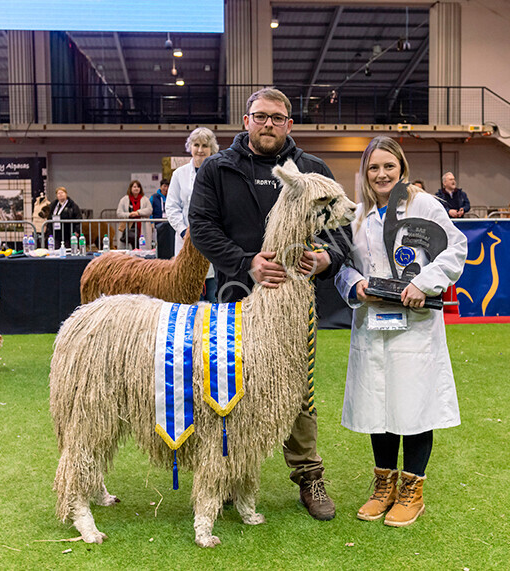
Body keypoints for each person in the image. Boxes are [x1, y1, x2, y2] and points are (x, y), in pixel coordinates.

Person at [189, 88, 352, 521]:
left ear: (289, 124)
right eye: (260, 116)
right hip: (234, 296)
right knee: (223, 384)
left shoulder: (314, 171)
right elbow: (201, 227)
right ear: (246, 120)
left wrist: (325, 258)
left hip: (293, 303)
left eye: (277, 118)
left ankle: (308, 474)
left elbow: (342, 228)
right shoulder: (218, 169)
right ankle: (225, 472)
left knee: (294, 389)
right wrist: (246, 263)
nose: (268, 124)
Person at [334, 136, 467, 527]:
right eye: (374, 168)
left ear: (402, 168)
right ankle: (384, 486)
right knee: (379, 403)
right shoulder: (355, 215)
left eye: (388, 166)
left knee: (413, 402)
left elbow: (454, 248)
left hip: (416, 324)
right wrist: (355, 284)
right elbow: (343, 264)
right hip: (373, 323)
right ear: (364, 173)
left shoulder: (424, 205)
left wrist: (424, 282)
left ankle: (413, 490)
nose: (381, 174)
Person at [167, 127, 219, 301]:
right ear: (190, 147)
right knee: (187, 297)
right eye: (196, 145)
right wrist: (183, 231)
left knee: (212, 294)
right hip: (185, 241)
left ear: (211, 149)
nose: (200, 150)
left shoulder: (219, 174)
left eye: (205, 145)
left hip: (212, 241)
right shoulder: (178, 175)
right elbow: (172, 207)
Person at [116, 180, 151, 249]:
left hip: (141, 228)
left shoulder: (145, 199)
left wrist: (138, 213)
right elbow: (119, 213)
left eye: (138, 187)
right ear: (130, 188)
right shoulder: (124, 200)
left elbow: (149, 210)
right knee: (128, 248)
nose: (136, 188)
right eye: (134, 187)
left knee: (141, 247)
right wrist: (129, 215)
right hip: (128, 228)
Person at [150, 178, 175, 259]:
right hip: (158, 223)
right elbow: (150, 210)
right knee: (158, 242)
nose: (166, 188)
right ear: (160, 187)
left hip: (170, 223)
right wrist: (151, 223)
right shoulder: (154, 197)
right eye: (164, 186)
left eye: (168, 186)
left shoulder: (172, 197)